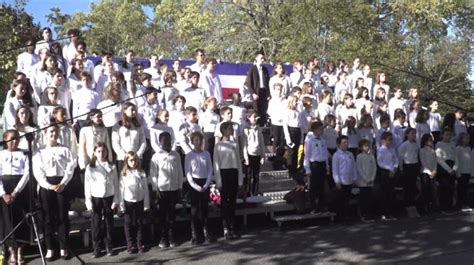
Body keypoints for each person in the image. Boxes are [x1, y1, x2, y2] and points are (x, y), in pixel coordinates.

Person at [33, 125, 75, 260]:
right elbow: (37, 171)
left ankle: (63, 247)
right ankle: (50, 248)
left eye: (56, 131)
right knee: (47, 218)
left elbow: (70, 167)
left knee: (63, 216)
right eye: (51, 131)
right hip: (46, 186)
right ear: (45, 134)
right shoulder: (39, 151)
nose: (54, 134)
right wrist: (47, 185)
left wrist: (63, 183)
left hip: (62, 184)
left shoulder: (65, 149)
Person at [0, 130, 30, 264]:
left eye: (17, 138)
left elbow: (27, 173)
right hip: (4, 188)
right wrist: (3, 193)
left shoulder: (24, 153)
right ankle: (11, 250)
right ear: (5, 139)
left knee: (21, 218)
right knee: (7, 219)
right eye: (12, 139)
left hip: (20, 188)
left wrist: (16, 191)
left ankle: (20, 251)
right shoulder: (1, 154)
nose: (15, 141)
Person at [84, 143, 119, 258]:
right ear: (94, 153)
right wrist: (88, 203)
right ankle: (97, 248)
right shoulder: (90, 167)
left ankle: (109, 246)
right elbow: (87, 186)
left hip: (109, 197)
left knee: (109, 223)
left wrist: (116, 200)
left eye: (103, 151)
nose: (101, 154)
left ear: (107, 152)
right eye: (98, 151)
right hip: (96, 198)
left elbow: (116, 184)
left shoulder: (112, 166)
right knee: (96, 223)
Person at [150, 132, 183, 248]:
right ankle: (163, 238)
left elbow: (179, 172)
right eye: (164, 140)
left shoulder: (176, 155)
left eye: (169, 140)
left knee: (172, 215)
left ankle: (172, 237)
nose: (167, 143)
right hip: (162, 190)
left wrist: (180, 187)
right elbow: (153, 174)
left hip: (173, 189)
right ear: (160, 142)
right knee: (162, 215)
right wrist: (155, 189)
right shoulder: (156, 156)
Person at [214, 122, 243, 240]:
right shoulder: (218, 145)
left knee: (232, 202)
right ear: (224, 130)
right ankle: (225, 227)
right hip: (224, 174)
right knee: (225, 203)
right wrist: (219, 182)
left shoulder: (234, 144)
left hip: (233, 173)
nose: (231, 130)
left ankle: (232, 226)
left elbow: (238, 163)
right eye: (230, 128)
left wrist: (240, 180)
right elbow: (216, 164)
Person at [185, 132, 213, 244]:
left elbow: (210, 169)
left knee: (204, 208)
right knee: (195, 209)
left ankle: (206, 232)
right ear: (192, 142)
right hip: (194, 184)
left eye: (200, 140)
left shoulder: (206, 154)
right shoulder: (189, 155)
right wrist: (196, 186)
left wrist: (206, 184)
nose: (199, 142)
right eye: (196, 140)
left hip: (205, 182)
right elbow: (188, 173)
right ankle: (195, 233)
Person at [119, 151, 149, 254]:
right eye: (131, 160)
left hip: (139, 201)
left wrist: (146, 205)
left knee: (139, 223)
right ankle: (130, 244)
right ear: (127, 161)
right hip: (128, 202)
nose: (133, 162)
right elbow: (121, 190)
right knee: (128, 224)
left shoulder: (142, 173)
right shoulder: (124, 174)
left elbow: (145, 189)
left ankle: (140, 243)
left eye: (135, 160)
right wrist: (121, 206)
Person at [111, 102, 147, 172]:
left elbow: (143, 141)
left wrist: (138, 154)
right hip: (122, 159)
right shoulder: (118, 126)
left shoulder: (138, 126)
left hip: (137, 158)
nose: (134, 112)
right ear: (124, 110)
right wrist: (124, 156)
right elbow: (115, 143)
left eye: (135, 110)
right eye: (132, 110)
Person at [304, 121, 330, 213]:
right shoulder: (310, 140)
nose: (322, 131)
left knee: (321, 186)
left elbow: (325, 154)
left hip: (322, 164)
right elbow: (307, 155)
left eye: (322, 129)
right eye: (320, 129)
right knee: (313, 187)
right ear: (314, 130)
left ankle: (321, 206)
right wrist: (307, 168)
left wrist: (327, 166)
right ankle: (313, 207)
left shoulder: (323, 140)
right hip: (314, 164)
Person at [332, 135, 358, 221]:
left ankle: (347, 216)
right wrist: (337, 181)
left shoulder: (350, 154)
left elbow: (353, 167)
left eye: (347, 142)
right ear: (339, 144)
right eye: (344, 143)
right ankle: (341, 217)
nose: (346, 144)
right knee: (341, 200)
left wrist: (354, 178)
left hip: (349, 180)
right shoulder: (336, 155)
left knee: (347, 199)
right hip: (341, 181)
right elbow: (335, 169)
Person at [242, 110, 265, 196]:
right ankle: (247, 193)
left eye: (256, 117)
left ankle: (255, 192)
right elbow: (244, 144)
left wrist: (263, 156)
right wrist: (246, 158)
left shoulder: (258, 129)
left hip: (257, 154)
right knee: (248, 175)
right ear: (249, 118)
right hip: (249, 154)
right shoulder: (246, 129)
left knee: (256, 175)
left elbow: (262, 143)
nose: (255, 118)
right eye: (254, 117)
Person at [398, 128, 420, 217]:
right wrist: (401, 168)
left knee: (413, 186)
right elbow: (401, 157)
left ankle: (413, 205)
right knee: (407, 187)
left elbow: (416, 155)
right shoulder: (404, 145)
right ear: (407, 134)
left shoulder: (416, 144)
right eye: (412, 133)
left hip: (414, 166)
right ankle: (407, 206)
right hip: (407, 167)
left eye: (415, 133)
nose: (414, 135)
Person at [377, 131, 399, 221]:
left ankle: (391, 212)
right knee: (384, 193)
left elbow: (396, 159)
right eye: (389, 140)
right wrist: (389, 169)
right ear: (383, 140)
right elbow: (380, 162)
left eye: (391, 140)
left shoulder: (392, 149)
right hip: (385, 172)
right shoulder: (380, 150)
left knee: (391, 193)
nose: (390, 142)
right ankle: (383, 213)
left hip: (392, 172)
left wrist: (395, 167)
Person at [435, 127, 458, 214]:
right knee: (444, 187)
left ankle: (450, 205)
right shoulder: (439, 144)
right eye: (446, 135)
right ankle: (443, 207)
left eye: (450, 135)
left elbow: (455, 157)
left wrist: (455, 168)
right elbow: (439, 159)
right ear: (442, 135)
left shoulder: (452, 144)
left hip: (452, 166)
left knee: (451, 187)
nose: (448, 137)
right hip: (444, 167)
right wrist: (448, 169)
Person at [245, 51, 270, 126]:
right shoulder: (252, 69)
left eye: (263, 58)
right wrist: (253, 93)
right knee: (256, 111)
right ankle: (256, 126)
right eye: (261, 58)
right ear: (256, 58)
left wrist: (268, 94)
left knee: (263, 111)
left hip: (264, 93)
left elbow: (267, 82)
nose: (263, 60)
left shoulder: (265, 69)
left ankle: (262, 128)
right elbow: (249, 83)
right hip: (256, 93)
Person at [283, 95, 303, 178]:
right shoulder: (287, 112)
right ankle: (290, 170)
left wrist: (301, 138)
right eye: (295, 101)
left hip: (297, 132)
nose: (297, 103)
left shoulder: (298, 112)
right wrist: (288, 138)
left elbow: (300, 126)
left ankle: (295, 169)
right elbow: (285, 126)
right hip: (291, 132)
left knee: (296, 152)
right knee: (291, 152)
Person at [356, 139, 376, 222]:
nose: (367, 148)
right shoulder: (359, 156)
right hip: (363, 182)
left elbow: (374, 168)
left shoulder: (371, 156)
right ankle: (363, 215)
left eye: (368, 146)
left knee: (369, 198)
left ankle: (369, 214)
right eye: (365, 146)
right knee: (363, 199)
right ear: (361, 147)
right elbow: (359, 169)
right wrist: (366, 179)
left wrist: (372, 178)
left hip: (370, 181)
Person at [419, 134, 439, 213]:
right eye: (429, 140)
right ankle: (425, 206)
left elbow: (435, 161)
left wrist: (434, 170)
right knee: (425, 189)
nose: (431, 142)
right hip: (425, 172)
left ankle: (433, 206)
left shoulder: (432, 150)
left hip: (433, 172)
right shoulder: (422, 150)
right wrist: (429, 172)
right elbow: (423, 162)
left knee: (433, 189)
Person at [267, 83, 286, 155]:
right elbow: (269, 112)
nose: (279, 91)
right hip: (275, 122)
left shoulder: (285, 101)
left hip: (283, 123)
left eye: (280, 89)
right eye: (277, 89)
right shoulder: (272, 101)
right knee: (276, 138)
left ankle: (281, 154)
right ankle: (274, 153)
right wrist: (276, 117)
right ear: (274, 90)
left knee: (282, 139)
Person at [455, 133, 472, 212]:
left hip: (467, 171)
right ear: (461, 139)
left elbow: (470, 161)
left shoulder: (468, 148)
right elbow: (457, 160)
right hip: (461, 172)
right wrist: (458, 172)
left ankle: (465, 203)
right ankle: (460, 204)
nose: (467, 140)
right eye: (465, 138)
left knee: (465, 188)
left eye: (468, 138)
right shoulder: (458, 148)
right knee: (460, 189)